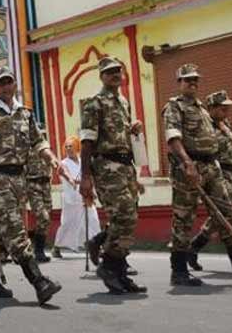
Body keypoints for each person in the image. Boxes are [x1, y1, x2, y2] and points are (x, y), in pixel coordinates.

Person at [162, 65, 232, 286]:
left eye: (195, 79)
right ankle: (179, 271)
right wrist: (187, 163)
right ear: (179, 82)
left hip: (211, 167)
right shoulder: (174, 107)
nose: (192, 83)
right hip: (189, 167)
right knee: (184, 218)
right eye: (188, 79)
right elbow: (173, 138)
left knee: (227, 213)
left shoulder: (202, 109)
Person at [0, 66, 62, 305]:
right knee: (15, 229)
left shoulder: (25, 114)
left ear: (14, 85)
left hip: (20, 180)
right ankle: (39, 282)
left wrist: (51, 158)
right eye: (1, 83)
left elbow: (38, 142)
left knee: (3, 234)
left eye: (9, 82)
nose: (5, 87)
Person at [79, 56, 146, 294]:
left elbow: (120, 137)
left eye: (118, 70)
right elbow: (87, 142)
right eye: (109, 72)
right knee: (124, 215)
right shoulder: (94, 104)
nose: (115, 74)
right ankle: (108, 266)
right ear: (102, 76)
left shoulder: (123, 102)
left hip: (126, 166)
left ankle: (118, 270)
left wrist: (133, 130)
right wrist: (85, 177)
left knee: (129, 217)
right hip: (106, 167)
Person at [187, 90, 232, 271]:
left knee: (221, 216)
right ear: (211, 108)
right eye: (222, 108)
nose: (227, 111)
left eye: (227, 108)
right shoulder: (206, 128)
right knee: (227, 215)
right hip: (217, 174)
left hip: (230, 175)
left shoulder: (226, 125)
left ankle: (193, 247)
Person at [53, 136, 101, 257]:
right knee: (68, 223)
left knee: (93, 220)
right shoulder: (63, 163)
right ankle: (57, 246)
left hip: (85, 195)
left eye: (71, 146)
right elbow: (66, 174)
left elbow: (89, 177)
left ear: (77, 147)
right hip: (72, 198)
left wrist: (92, 191)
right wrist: (72, 180)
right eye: (66, 147)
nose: (68, 149)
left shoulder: (82, 162)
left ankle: (96, 246)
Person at [25, 136, 54, 263]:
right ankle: (38, 251)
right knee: (43, 216)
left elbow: (51, 161)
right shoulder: (25, 148)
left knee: (46, 218)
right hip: (32, 183)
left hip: (46, 184)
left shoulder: (46, 148)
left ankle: (37, 247)